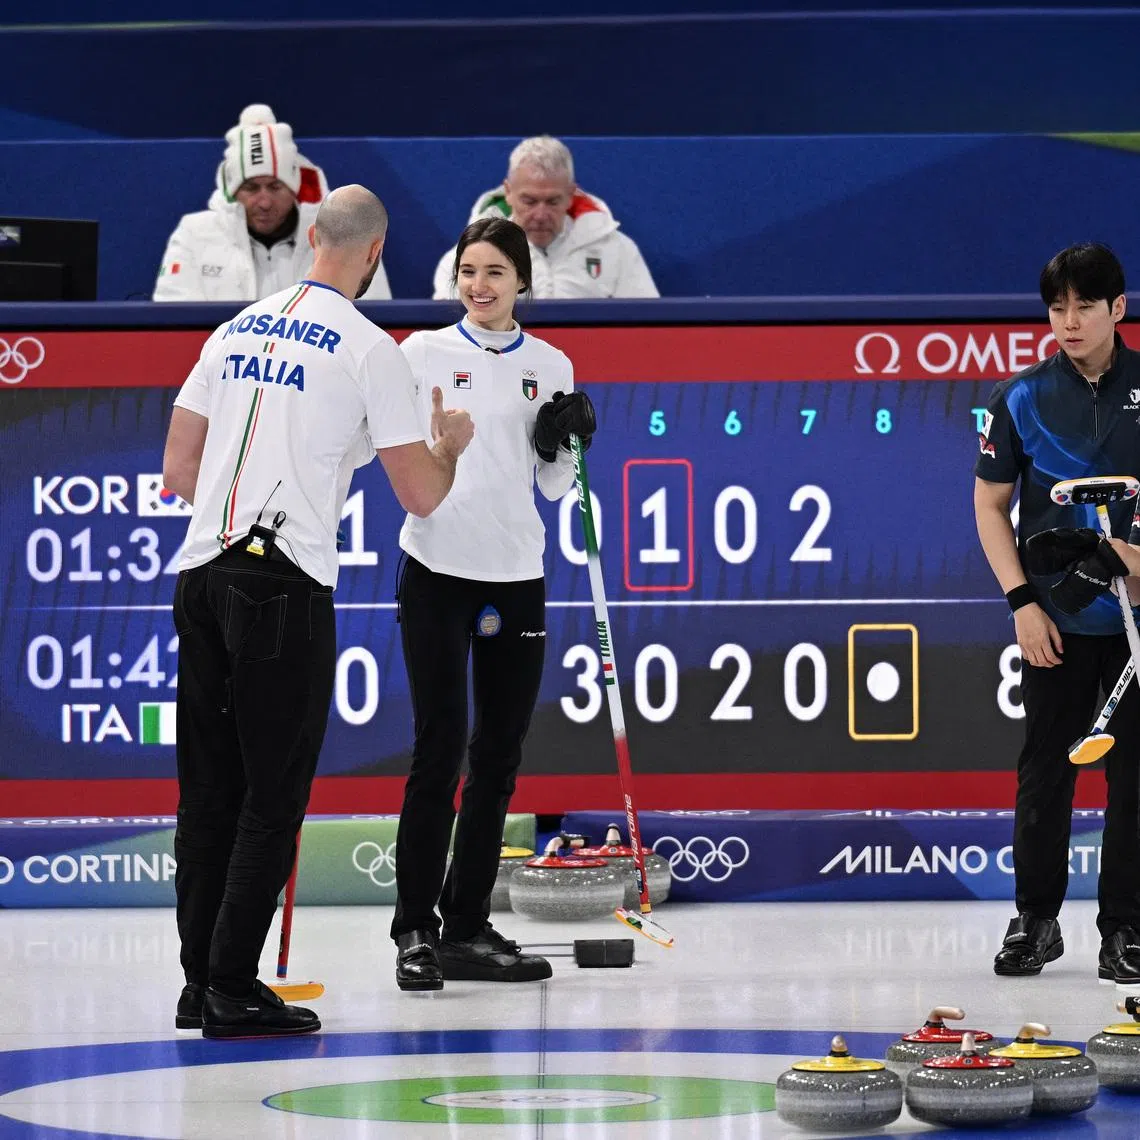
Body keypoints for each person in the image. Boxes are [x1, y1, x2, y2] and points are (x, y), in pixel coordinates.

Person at [162, 185, 473, 1037]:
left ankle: (199, 984)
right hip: (280, 582)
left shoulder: (233, 329)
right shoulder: (370, 348)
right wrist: (448, 448)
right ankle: (233, 987)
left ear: (311, 240)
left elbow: (179, 469)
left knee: (208, 793)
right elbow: (421, 495)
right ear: (374, 254)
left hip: (201, 574)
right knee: (273, 797)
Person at [393, 216, 597, 990]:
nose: (479, 286)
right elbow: (396, 454)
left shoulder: (551, 362)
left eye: (494, 273)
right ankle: (415, 930)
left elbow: (553, 484)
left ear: (522, 282)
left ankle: (467, 926)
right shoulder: (421, 353)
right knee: (439, 748)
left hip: (515, 573)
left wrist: (566, 442)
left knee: (498, 757)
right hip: (436, 567)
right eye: (468, 272)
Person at [974, 241, 1140, 985]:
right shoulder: (1021, 397)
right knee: (1045, 772)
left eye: (1085, 306)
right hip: (1056, 622)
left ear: (1118, 308)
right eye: (1057, 308)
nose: (1069, 322)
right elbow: (990, 504)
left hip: (1137, 623)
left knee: (1134, 777)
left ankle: (1126, 929)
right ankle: (1035, 921)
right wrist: (1021, 602)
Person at [154, 109, 391, 302]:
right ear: (233, 193)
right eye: (251, 188)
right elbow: (174, 321)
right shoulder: (195, 234)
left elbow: (372, 316)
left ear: (294, 188)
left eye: (275, 187)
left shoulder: (341, 233)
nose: (265, 202)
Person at [431, 135, 658, 300]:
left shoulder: (617, 251)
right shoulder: (465, 258)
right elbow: (448, 336)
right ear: (508, 193)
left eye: (552, 201)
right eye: (529, 201)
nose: (540, 215)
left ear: (571, 195)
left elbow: (648, 328)